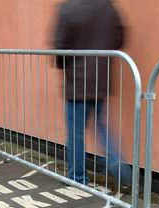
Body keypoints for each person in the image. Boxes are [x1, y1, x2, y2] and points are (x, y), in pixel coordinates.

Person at [53, 0, 131, 186]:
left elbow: (60, 46)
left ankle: (77, 177)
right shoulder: (108, 6)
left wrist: (63, 66)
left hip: (77, 81)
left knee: (76, 132)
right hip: (101, 78)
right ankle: (117, 163)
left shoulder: (69, 7)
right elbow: (120, 38)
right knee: (100, 125)